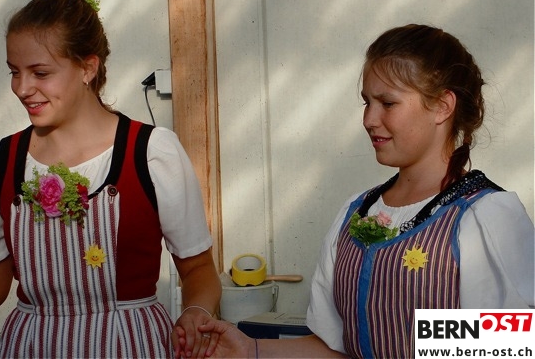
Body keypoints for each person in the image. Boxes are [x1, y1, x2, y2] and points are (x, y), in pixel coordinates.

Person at [0, 0, 221, 358]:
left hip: (129, 345)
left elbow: (198, 270)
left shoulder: (151, 153)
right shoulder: (3, 161)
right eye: (14, 72)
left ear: (87, 67)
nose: (22, 88)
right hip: (33, 347)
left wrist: (196, 312)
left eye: (40, 72)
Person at [198, 24, 534, 358]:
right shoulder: (357, 211)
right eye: (366, 102)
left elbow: (511, 347)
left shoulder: (484, 217)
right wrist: (250, 349)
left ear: (443, 106)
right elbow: (336, 348)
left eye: (387, 103)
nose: (369, 119)